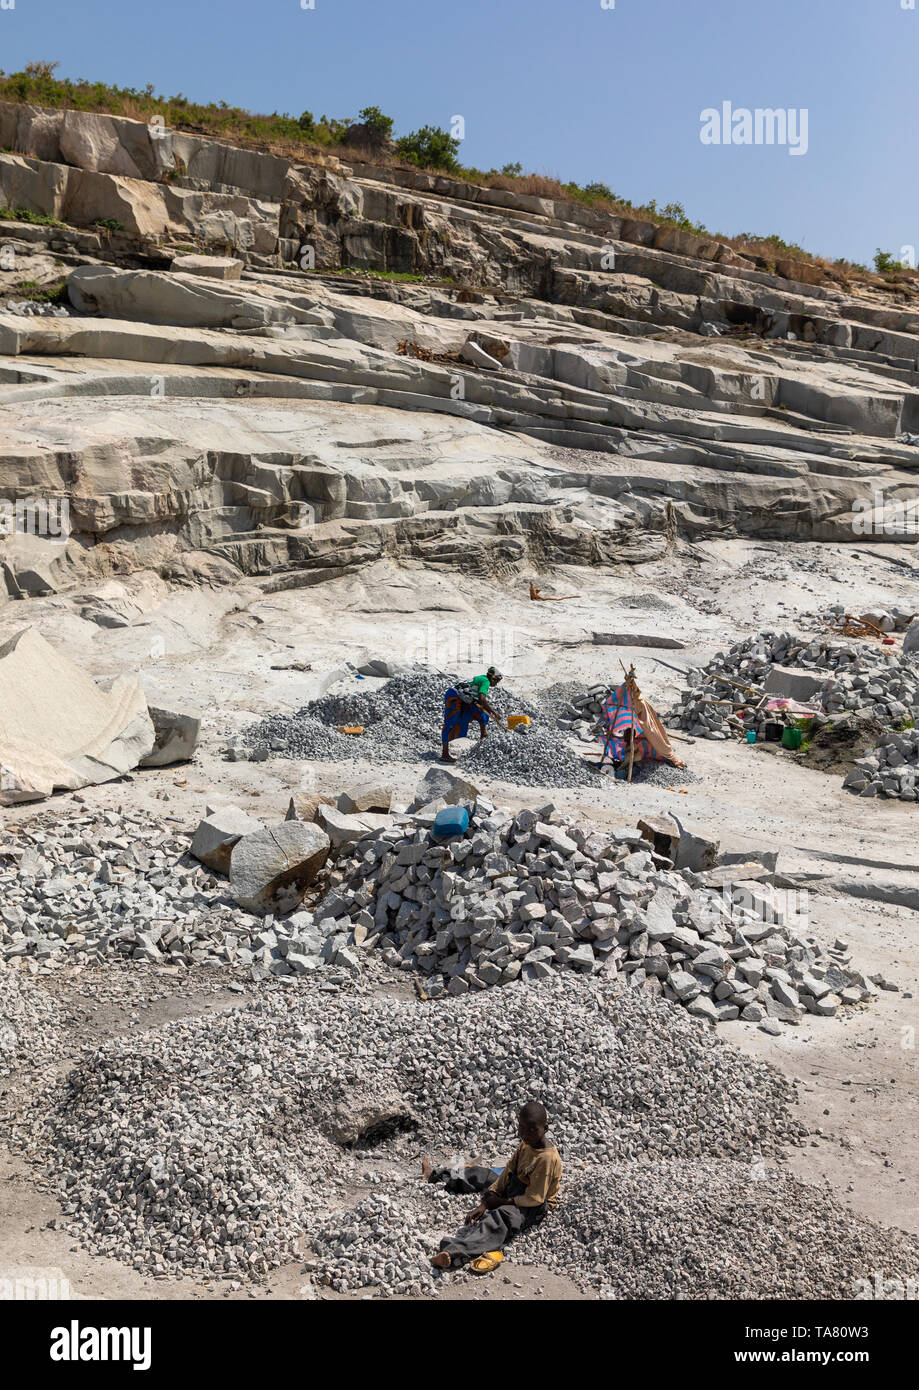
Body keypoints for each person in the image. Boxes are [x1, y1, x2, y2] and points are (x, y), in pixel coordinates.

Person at [424, 1101, 562, 1273]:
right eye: (522, 1127)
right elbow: (509, 1170)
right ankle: (437, 1176)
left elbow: (535, 1198)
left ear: (545, 1128)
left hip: (534, 1205)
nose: (526, 1133)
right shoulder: (527, 1143)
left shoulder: (546, 1158)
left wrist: (500, 1202)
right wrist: (489, 1198)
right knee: (479, 1174)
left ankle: (453, 1252)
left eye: (533, 1129)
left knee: (500, 1217)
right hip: (517, 1186)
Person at [440, 667, 506, 763]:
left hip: (463, 697)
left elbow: (478, 699)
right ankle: (444, 754)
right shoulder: (486, 681)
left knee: (482, 711)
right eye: (496, 682)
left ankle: (483, 735)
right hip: (454, 696)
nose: (496, 684)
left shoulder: (483, 678)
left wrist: (486, 709)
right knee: (451, 722)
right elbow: (482, 699)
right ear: (493, 678)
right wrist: (495, 712)